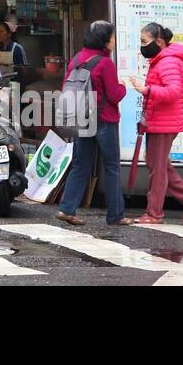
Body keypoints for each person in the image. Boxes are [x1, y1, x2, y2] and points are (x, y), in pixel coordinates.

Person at [57, 21, 133, 227]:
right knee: (111, 166)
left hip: (82, 119)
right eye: (113, 37)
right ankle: (115, 215)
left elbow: (66, 87)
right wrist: (123, 87)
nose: (114, 41)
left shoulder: (76, 59)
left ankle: (67, 208)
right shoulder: (105, 63)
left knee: (80, 164)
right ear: (104, 40)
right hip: (104, 121)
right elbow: (115, 96)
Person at [128, 23, 183, 224]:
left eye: (144, 41)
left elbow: (173, 92)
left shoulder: (168, 62)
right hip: (161, 120)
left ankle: (155, 213)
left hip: (164, 122)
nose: (142, 46)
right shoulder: (164, 59)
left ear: (160, 41)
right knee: (158, 163)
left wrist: (146, 90)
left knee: (157, 167)